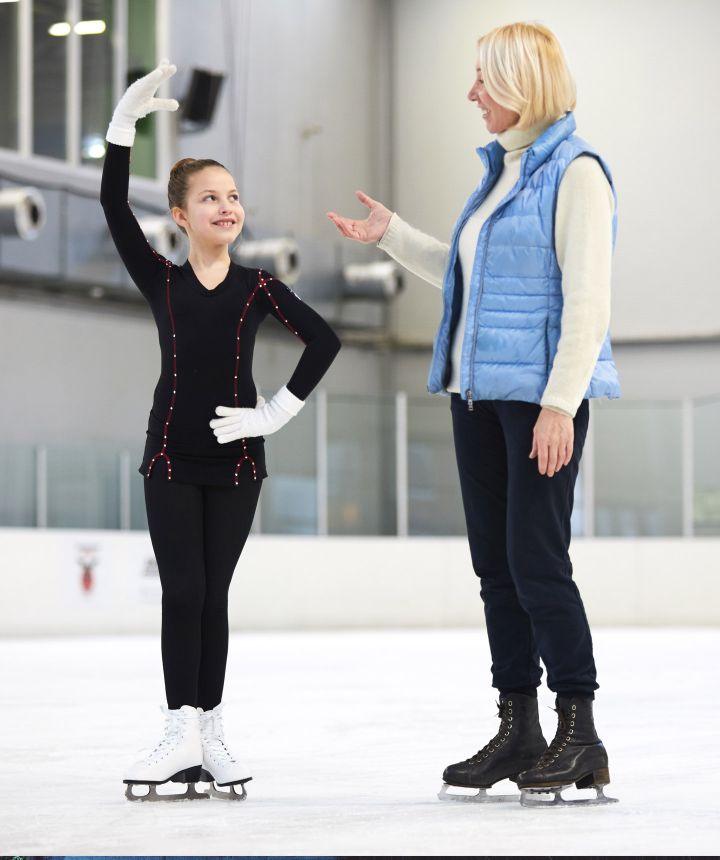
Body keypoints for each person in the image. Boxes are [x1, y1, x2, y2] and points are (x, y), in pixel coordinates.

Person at [328, 22, 619, 806]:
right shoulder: (500, 174)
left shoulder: (577, 173)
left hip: (538, 401)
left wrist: (561, 403)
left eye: (482, 81)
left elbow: (588, 303)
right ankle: (519, 725)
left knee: (537, 562)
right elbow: (465, 276)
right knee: (496, 569)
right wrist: (390, 236)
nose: (471, 95)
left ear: (521, 82)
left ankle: (580, 730)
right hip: (475, 394)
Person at [101, 60, 341, 801]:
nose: (226, 206)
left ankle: (212, 731)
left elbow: (325, 340)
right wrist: (122, 129)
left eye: (233, 196)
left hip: (238, 464)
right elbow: (112, 206)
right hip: (172, 456)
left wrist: (276, 412)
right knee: (184, 590)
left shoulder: (257, 286)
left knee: (215, 597)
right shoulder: (162, 280)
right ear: (180, 214)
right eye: (210, 197)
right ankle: (180, 731)